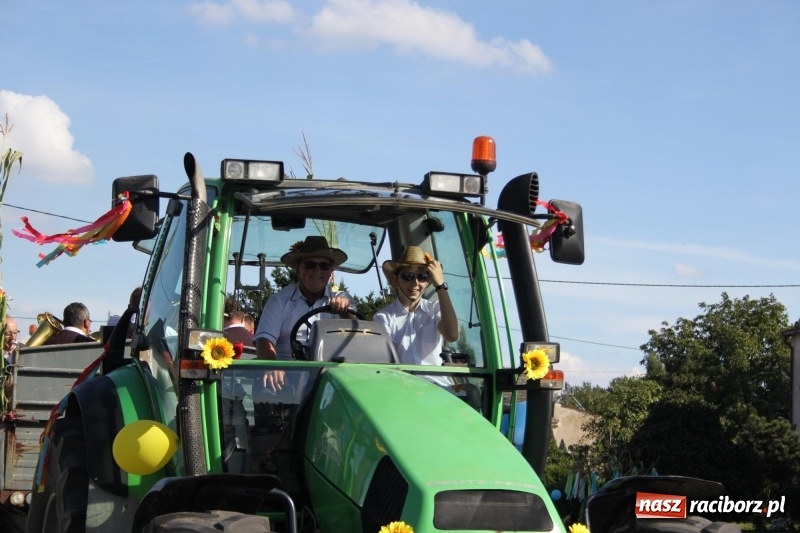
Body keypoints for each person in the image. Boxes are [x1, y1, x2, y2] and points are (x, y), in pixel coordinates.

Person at [254, 236, 355, 390]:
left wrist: (345, 312)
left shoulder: (343, 300)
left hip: (331, 381)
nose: (317, 270)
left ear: (330, 271)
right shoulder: (279, 301)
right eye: (310, 264)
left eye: (324, 266)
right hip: (285, 382)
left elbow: (359, 334)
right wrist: (273, 367)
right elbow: (264, 341)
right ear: (297, 268)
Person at [374, 246, 459, 369]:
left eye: (422, 277)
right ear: (395, 279)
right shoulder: (383, 317)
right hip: (400, 379)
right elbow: (384, 360)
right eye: (408, 276)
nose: (415, 283)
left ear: (428, 281)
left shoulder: (435, 309)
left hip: (435, 379)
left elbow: (452, 335)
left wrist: (440, 286)